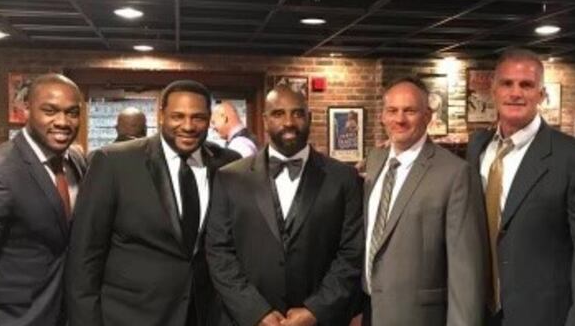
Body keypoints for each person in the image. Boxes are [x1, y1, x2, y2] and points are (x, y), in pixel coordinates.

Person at [67, 80, 240, 326]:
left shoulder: (227, 164)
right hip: (130, 317)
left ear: (209, 118)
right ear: (161, 116)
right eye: (178, 116)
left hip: (204, 314)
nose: (188, 126)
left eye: (198, 117)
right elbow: (84, 255)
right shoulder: (114, 162)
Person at [466, 48, 575, 326]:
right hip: (481, 312)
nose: (516, 93)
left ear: (542, 94)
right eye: (507, 84)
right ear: (493, 90)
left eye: (527, 85)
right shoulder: (478, 147)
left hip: (544, 315)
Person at [207, 86, 363, 326]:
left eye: (298, 113)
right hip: (246, 320)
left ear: (310, 118)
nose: (289, 122)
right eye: (278, 113)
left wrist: (316, 310)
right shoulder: (229, 177)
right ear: (265, 120)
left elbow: (352, 253)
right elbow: (219, 252)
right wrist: (255, 312)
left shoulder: (344, 178)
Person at [0, 74, 86, 326]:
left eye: (72, 112)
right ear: (26, 110)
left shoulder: (75, 162)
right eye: (50, 111)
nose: (63, 122)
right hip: (11, 319)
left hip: (60, 313)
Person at [364, 77, 486, 325]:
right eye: (392, 111)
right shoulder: (375, 160)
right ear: (383, 116)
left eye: (409, 110)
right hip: (371, 312)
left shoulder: (455, 173)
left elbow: (466, 272)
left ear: (428, 116)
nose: (400, 119)